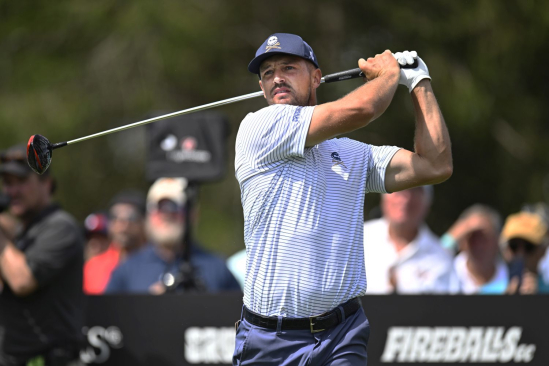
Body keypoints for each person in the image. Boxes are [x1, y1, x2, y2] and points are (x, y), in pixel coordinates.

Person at [233, 33, 452, 365]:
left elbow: (435, 165)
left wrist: (420, 83)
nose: (277, 77)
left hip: (341, 336)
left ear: (316, 77)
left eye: (289, 67)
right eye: (267, 73)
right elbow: (363, 107)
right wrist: (390, 73)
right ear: (262, 88)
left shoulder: (351, 154)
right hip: (271, 340)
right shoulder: (258, 128)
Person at [0, 144, 84, 366]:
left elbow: (22, 281)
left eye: (22, 182)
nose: (13, 191)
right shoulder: (21, 232)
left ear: (47, 184)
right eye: (8, 184)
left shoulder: (61, 227)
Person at [105, 178, 240, 294]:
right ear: (148, 215)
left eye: (174, 207)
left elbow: (237, 319)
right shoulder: (126, 271)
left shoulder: (218, 269)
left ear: (192, 214)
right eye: (159, 207)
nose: (166, 215)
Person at [363, 186, 456, 294]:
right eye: (398, 189)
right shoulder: (356, 241)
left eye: (415, 190)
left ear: (427, 202)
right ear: (383, 198)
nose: (406, 198)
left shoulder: (443, 258)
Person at [83, 190, 147, 295]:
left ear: (144, 222)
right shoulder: (92, 268)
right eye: (115, 217)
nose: (122, 225)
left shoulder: (159, 264)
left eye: (131, 217)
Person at [445, 204, 508, 294]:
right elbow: (432, 259)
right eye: (472, 237)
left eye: (484, 238)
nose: (478, 244)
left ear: (497, 240)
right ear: (462, 241)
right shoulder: (447, 271)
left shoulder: (512, 275)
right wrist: (458, 232)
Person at [501, 211, 549, 294]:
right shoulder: (484, 290)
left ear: (543, 251)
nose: (521, 254)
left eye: (529, 247)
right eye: (514, 246)